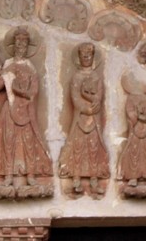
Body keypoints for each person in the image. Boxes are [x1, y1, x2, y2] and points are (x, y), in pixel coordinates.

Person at [0, 27, 53, 186]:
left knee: (29, 142)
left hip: (26, 111)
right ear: (13, 45)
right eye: (18, 41)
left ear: (28, 46)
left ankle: (30, 174)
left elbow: (33, 92)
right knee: (8, 141)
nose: (21, 45)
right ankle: (7, 174)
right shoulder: (8, 65)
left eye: (24, 42)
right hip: (10, 110)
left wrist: (18, 89)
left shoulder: (30, 67)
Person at [59, 43, 109, 195]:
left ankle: (94, 177)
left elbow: (98, 97)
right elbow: (75, 97)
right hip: (80, 118)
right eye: (83, 54)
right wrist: (86, 108)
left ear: (93, 57)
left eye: (89, 54)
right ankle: (75, 177)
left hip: (93, 120)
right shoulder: (76, 77)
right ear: (79, 57)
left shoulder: (96, 77)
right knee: (78, 147)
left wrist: (93, 103)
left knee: (93, 147)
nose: (86, 57)